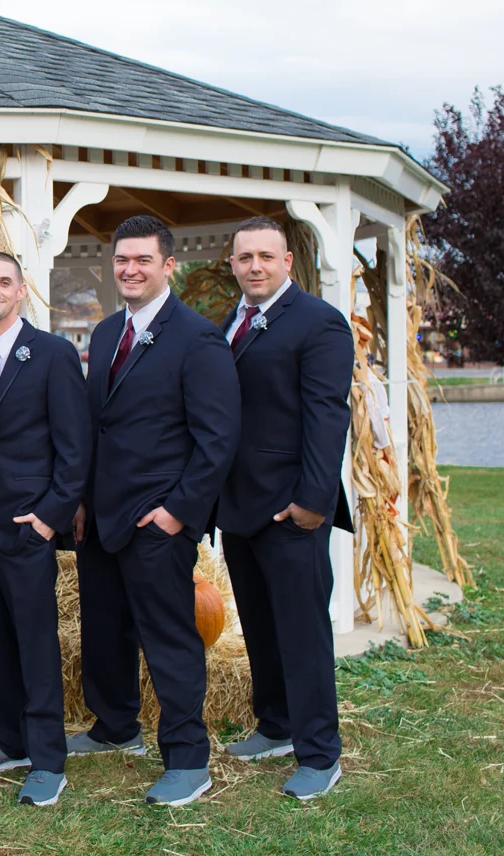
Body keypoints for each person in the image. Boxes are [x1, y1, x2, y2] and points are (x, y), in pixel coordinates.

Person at [69, 215, 239, 807]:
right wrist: (83, 501)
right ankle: (116, 726)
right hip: (101, 517)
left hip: (158, 519)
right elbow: (96, 425)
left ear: (169, 265)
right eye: (122, 259)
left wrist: (178, 512)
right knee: (103, 630)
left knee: (169, 639)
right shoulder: (104, 333)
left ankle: (188, 759)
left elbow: (217, 438)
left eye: (143, 259)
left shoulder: (198, 338)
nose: (131, 269)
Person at [216, 216, 354, 801]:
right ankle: (275, 725)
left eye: (266, 256)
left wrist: (312, 502)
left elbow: (328, 415)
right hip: (239, 505)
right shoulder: (231, 321)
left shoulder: (319, 322)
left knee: (303, 634)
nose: (255, 266)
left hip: (292, 508)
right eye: (245, 257)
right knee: (260, 625)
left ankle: (320, 754)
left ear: (287, 262)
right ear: (232, 264)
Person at [0, 254, 90, 808]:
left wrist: (50, 516)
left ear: (21, 291)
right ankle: (8, 739)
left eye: (4, 282)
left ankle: (47, 759)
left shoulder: (53, 353)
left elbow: (75, 444)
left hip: (27, 523)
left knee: (35, 644)